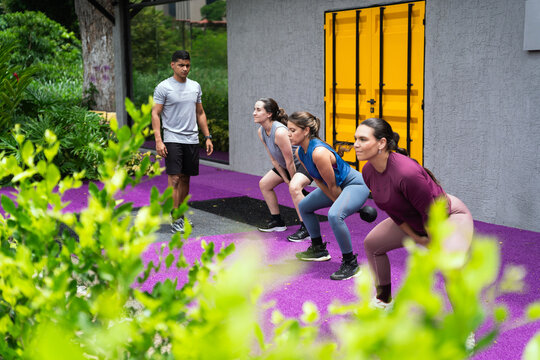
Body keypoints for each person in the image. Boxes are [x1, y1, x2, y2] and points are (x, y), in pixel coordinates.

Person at [354, 118, 473, 308]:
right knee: (372, 244)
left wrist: (432, 245)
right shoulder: (368, 171)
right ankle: (383, 300)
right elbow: (393, 210)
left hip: (447, 218)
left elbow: (433, 214)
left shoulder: (406, 173)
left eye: (362, 139)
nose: (355, 145)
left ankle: (465, 329)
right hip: (416, 218)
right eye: (355, 139)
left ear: (381, 143)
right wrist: (415, 237)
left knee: (451, 266)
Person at [288, 111, 370, 280]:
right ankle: (318, 249)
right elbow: (318, 180)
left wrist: (339, 206)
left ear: (306, 131)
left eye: (293, 130)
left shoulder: (318, 152)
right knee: (304, 206)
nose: (288, 134)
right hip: (336, 186)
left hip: (354, 185)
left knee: (335, 215)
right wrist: (338, 202)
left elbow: (333, 186)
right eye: (288, 129)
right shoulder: (300, 152)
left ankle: (350, 263)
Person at [151, 50, 213, 233]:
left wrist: (207, 136)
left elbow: (200, 113)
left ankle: (181, 213)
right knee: (175, 177)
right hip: (172, 138)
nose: (185, 69)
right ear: (172, 65)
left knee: (186, 177)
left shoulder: (195, 86)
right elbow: (155, 113)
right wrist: (158, 140)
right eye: (181, 65)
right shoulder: (163, 87)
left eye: (187, 65)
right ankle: (175, 216)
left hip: (191, 139)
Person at [254, 98, 314, 241]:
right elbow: (274, 159)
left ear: (269, 114)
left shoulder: (280, 131)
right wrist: (286, 178)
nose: (254, 113)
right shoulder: (261, 131)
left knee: (294, 189)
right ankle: (277, 221)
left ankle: (306, 228)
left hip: (303, 164)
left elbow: (290, 161)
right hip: (287, 166)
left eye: (258, 110)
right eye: (254, 109)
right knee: (264, 184)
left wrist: (291, 182)